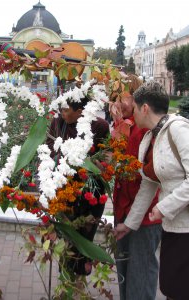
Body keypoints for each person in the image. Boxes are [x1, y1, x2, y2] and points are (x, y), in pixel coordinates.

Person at [115, 81, 189, 300]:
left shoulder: (179, 129)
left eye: (134, 108)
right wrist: (130, 224)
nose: (132, 113)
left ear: (144, 108)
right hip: (173, 227)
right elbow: (148, 183)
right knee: (172, 287)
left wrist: (163, 208)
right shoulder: (150, 137)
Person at [46, 89, 109, 275]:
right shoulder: (58, 123)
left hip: (91, 193)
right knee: (67, 239)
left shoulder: (100, 126)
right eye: (61, 109)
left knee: (84, 240)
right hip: (65, 192)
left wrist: (98, 163)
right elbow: (49, 150)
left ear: (81, 111)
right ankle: (67, 283)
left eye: (66, 110)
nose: (62, 113)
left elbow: (107, 159)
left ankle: (79, 281)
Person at [110, 75, 162, 300]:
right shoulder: (123, 123)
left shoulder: (147, 129)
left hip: (144, 214)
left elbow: (147, 177)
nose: (117, 102)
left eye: (123, 97)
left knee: (140, 274)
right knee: (124, 270)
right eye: (115, 97)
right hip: (124, 209)